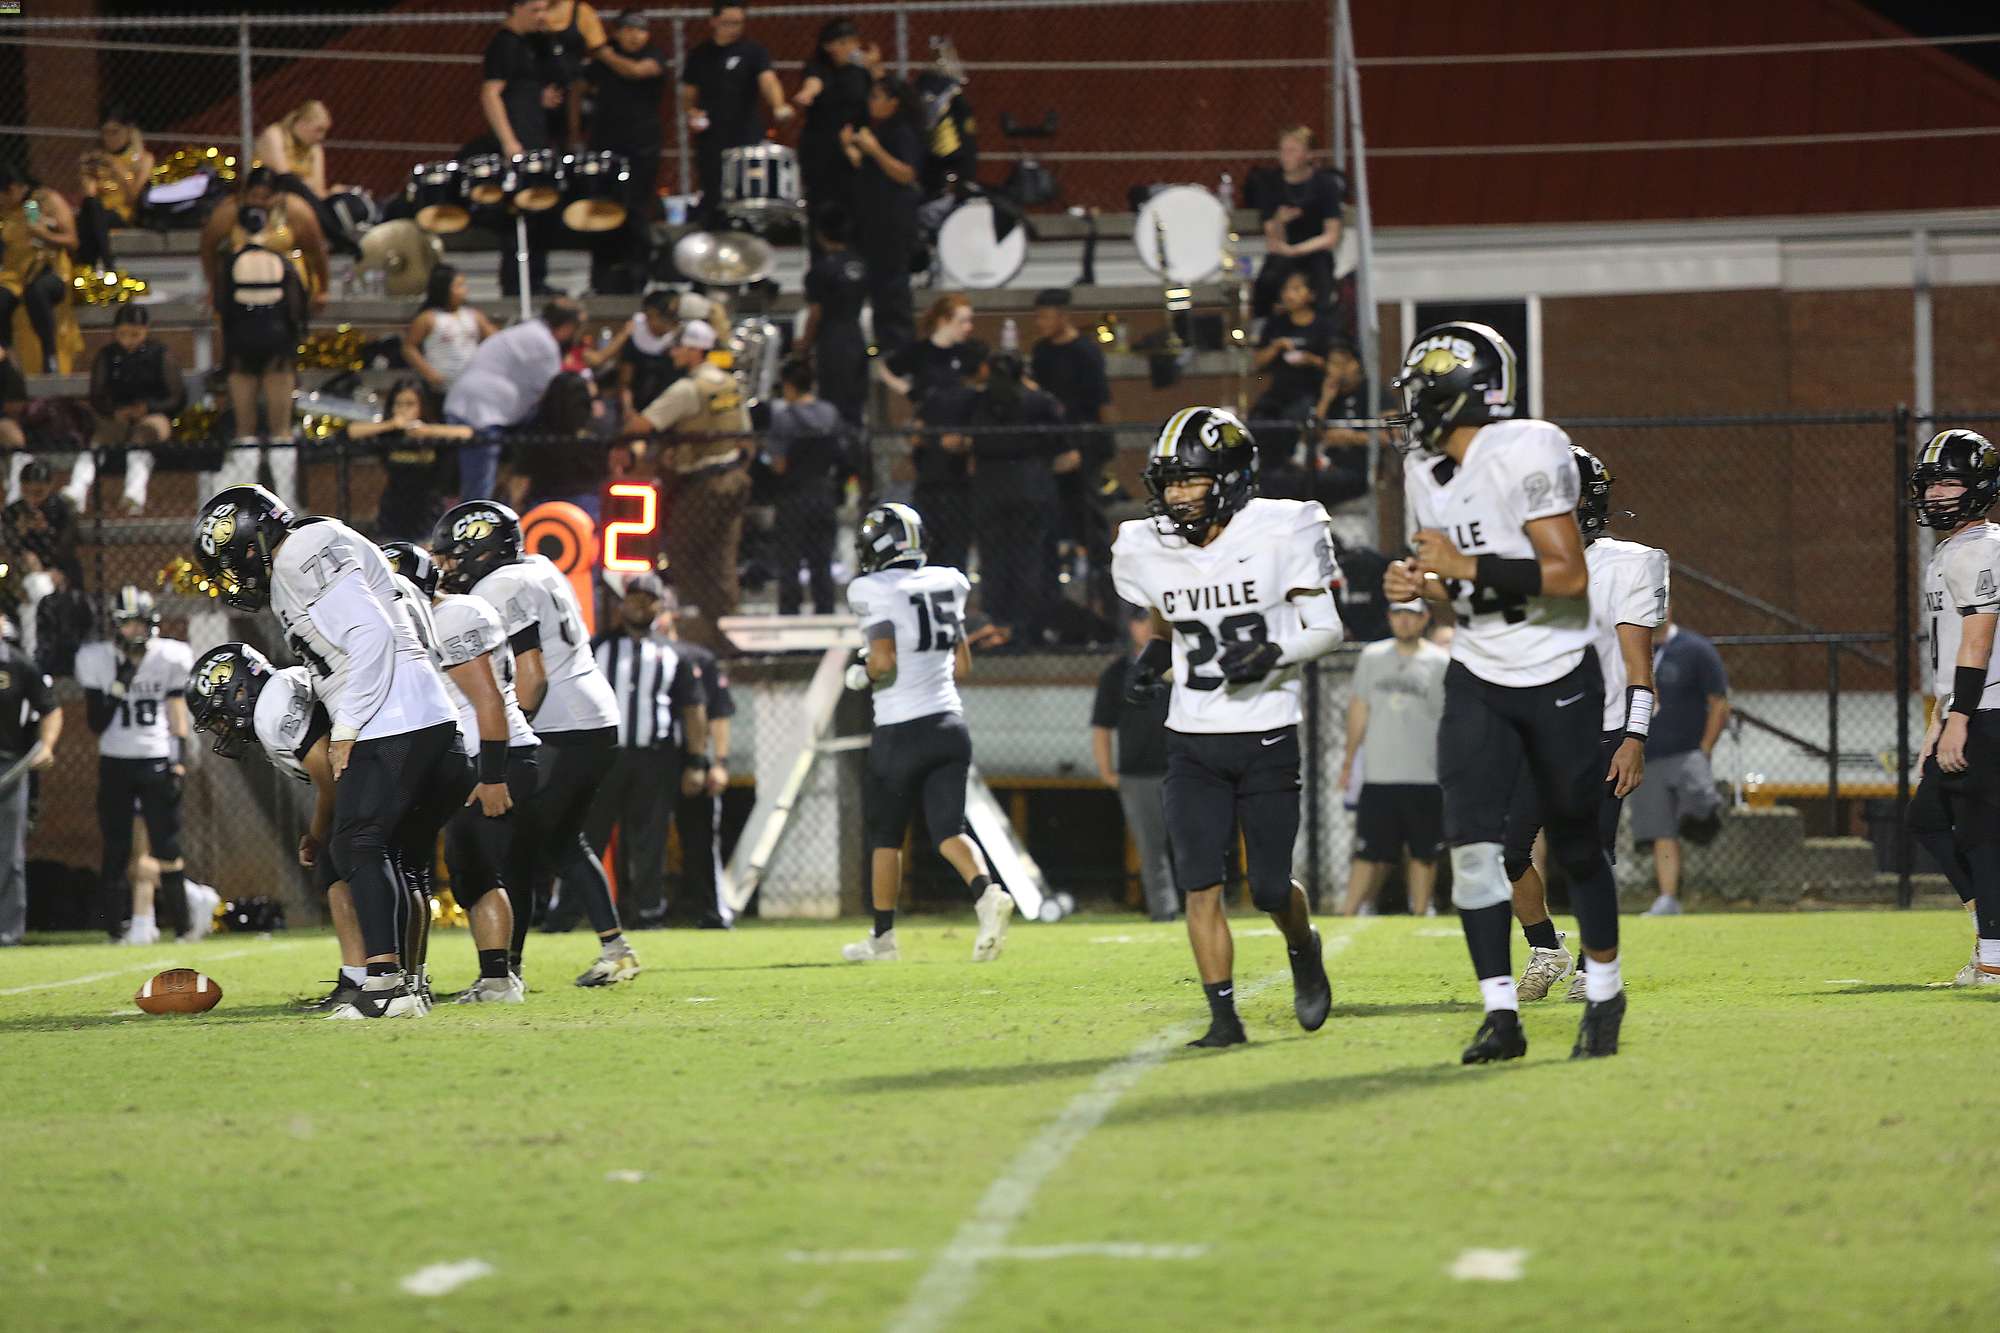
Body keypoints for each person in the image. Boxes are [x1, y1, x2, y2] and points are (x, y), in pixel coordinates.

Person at [1385, 320, 1626, 1062]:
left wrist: (1461, 563)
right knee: (1472, 844)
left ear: (1463, 393)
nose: (1413, 406)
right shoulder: (1424, 472)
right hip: (1481, 670)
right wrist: (1419, 585)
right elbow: (1460, 592)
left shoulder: (1528, 446)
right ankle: (1500, 1013)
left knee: (1580, 847)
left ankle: (1607, 993)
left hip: (1556, 669)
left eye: (1423, 390)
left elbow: (1567, 573)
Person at [1112, 407, 1343, 1047]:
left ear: (1232, 477)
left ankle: (1303, 944)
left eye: (1193, 480)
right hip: (1192, 739)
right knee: (1199, 883)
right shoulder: (1150, 546)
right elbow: (1168, 617)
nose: (1179, 496)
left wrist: (1274, 653)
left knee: (1268, 887)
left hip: (1267, 734)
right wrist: (1153, 658)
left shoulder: (1281, 530)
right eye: (1171, 482)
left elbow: (1328, 629)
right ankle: (1223, 1019)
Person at [193, 483, 467, 1019]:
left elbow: (370, 635)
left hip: (393, 716)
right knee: (389, 851)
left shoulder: (298, 552)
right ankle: (405, 983)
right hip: (423, 711)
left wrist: (346, 726)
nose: (231, 572)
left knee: (358, 842)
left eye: (230, 557)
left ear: (251, 541)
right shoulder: (318, 540)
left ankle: (384, 983)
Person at [430, 499, 640, 986]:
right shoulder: (537, 567)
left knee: (518, 847)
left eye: (458, 554)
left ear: (484, 552)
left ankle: (508, 971)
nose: (450, 566)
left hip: (562, 722)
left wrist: (508, 733)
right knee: (562, 841)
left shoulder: (499, 585)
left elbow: (533, 674)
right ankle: (614, 948)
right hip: (592, 715)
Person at [1508, 447, 1669, 1000]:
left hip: (1599, 731)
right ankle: (1545, 947)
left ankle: (1592, 965)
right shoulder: (1525, 563)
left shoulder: (1626, 563)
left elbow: (1639, 670)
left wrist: (1635, 737)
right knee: (1504, 850)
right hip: (1537, 731)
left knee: (1589, 853)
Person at [839, 501, 1013, 962]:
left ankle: (883, 939)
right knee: (948, 831)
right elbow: (962, 665)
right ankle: (986, 894)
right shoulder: (948, 582)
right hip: (950, 725)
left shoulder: (871, 588)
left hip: (900, 728)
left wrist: (863, 674)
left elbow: (882, 661)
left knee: (886, 837)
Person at [378, 541, 537, 1003]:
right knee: (469, 871)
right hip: (476, 755)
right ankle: (495, 978)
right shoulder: (432, 617)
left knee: (478, 871)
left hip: (491, 756)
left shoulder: (450, 617)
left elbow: (487, 700)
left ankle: (498, 980)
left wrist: (491, 776)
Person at [186, 642, 357, 1010]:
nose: (222, 728)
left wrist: (317, 833)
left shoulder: (272, 710)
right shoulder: (282, 687)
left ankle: (360, 980)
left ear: (238, 691)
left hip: (365, 778)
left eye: (219, 716)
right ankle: (399, 976)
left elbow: (329, 774)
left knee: (337, 868)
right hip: (379, 768)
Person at [1907, 430, 2000, 987]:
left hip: (1987, 707)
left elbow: (1978, 641)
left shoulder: (1982, 547)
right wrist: (1939, 720)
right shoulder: (1958, 547)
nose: (1938, 494)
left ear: (1979, 485)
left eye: (1949, 481)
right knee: (1928, 817)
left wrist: (1959, 717)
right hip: (1969, 706)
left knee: (1981, 831)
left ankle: (1994, 953)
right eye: (1932, 482)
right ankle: (1990, 933)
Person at [587, 572, 709, 929]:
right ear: (623, 602)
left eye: (648, 599)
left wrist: (697, 761)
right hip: (606, 755)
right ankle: (571, 911)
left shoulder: (674, 654)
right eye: (635, 598)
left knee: (650, 838)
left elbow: (693, 709)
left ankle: (647, 912)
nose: (640, 605)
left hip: (655, 757)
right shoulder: (599, 647)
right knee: (589, 835)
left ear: (660, 605)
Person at [76, 588, 196, 944]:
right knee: (116, 847)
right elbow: (96, 722)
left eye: (141, 622)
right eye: (129, 624)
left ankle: (184, 927)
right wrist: (122, 677)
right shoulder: (97, 658)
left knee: (167, 844)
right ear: (116, 626)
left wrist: (179, 761)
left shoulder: (169, 656)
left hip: (156, 759)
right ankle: (115, 929)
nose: (136, 631)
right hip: (115, 761)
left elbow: (177, 713)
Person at [199, 166, 328, 487]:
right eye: (253, 196)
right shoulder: (228, 215)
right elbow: (208, 249)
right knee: (244, 422)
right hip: (241, 325)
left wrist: (321, 287)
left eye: (265, 197)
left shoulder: (295, 212)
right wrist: (214, 287)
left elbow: (317, 250)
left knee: (279, 421)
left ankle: (286, 497)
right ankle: (244, 492)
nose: (259, 202)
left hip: (279, 323)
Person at [629, 319, 752, 654]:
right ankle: (727, 634)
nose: (673, 351)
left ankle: (700, 631)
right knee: (722, 560)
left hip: (701, 485)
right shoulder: (728, 385)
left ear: (696, 349)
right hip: (733, 478)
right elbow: (745, 434)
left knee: (684, 556)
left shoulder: (689, 389)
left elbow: (643, 423)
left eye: (679, 345)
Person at [948, 343, 1065, 642]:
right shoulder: (1038, 401)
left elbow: (958, 439)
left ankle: (995, 626)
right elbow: (1061, 443)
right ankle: (1027, 630)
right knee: (1030, 560)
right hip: (1031, 488)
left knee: (994, 560)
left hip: (990, 489)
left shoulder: (978, 402)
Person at [1340, 599, 1448, 917]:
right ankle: (1347, 913)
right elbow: (1359, 708)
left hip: (1425, 773)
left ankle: (1419, 912)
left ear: (1425, 618)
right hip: (1379, 772)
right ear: (1389, 617)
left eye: (1411, 614)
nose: (1404, 621)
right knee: (1368, 851)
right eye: (1398, 613)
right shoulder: (1372, 657)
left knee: (1424, 851)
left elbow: (1446, 717)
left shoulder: (1439, 661)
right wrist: (1348, 761)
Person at [1626, 612, 1730, 916]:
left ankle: (1701, 820)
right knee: (1661, 831)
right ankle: (1668, 898)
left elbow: (1719, 702)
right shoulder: (1631, 647)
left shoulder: (1695, 649)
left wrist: (1705, 749)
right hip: (1648, 755)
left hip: (1688, 752)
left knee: (1702, 809)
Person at [445, 298, 585, 503]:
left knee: (478, 481)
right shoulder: (544, 344)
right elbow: (555, 392)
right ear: (567, 327)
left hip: (473, 406)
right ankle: (476, 528)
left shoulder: (529, 331)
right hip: (482, 413)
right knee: (478, 488)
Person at [653, 583, 735, 928]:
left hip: (691, 757)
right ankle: (643, 909)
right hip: (651, 759)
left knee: (700, 839)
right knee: (645, 839)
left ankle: (711, 909)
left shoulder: (697, 657)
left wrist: (719, 762)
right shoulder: (627, 655)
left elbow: (717, 713)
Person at [1091, 605, 1176, 921]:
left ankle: (1201, 908)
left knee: (1191, 845)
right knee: (1151, 850)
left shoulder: (1181, 666)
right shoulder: (1116, 674)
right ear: (1130, 626)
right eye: (1140, 619)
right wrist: (1107, 771)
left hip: (1179, 770)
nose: (1146, 627)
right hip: (1136, 773)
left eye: (1151, 619)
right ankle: (1164, 913)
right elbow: (1101, 726)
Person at [481, 0, 563, 298]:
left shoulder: (531, 45)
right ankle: (517, 284)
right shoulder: (504, 45)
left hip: (536, 138)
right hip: (518, 142)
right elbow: (491, 94)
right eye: (534, 10)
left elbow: (520, 89)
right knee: (519, 214)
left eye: (544, 10)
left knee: (541, 210)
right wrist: (508, 141)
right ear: (516, 9)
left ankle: (537, 279)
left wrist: (539, 100)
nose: (541, 17)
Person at [680, 2, 792, 221]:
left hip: (745, 135)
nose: (734, 28)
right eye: (727, 23)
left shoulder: (753, 51)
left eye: (739, 23)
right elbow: (688, 92)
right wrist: (691, 112)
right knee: (714, 193)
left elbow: (768, 81)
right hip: (711, 138)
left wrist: (779, 104)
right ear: (713, 22)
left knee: (746, 192)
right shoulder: (700, 54)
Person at [585, 10, 667, 293]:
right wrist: (574, 132)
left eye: (641, 30)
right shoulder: (599, 64)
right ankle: (601, 277)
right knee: (604, 208)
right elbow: (578, 88)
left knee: (636, 209)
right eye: (629, 29)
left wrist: (601, 51)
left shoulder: (654, 56)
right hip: (605, 145)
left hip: (641, 146)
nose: (635, 36)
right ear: (617, 32)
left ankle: (638, 276)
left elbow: (634, 71)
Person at [845, 75, 923, 357]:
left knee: (892, 287)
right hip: (874, 221)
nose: (871, 103)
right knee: (878, 287)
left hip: (892, 222)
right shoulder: (881, 130)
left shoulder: (901, 131)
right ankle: (885, 343)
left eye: (877, 97)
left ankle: (900, 348)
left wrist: (873, 150)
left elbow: (905, 173)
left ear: (894, 102)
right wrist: (852, 149)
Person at [766, 358, 846, 616]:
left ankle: (790, 610)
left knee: (789, 558)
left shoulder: (784, 418)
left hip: (793, 494)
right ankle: (825, 608)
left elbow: (779, 464)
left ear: (789, 385)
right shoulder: (830, 413)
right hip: (823, 490)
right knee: (821, 558)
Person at [345, 379, 471, 542]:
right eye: (399, 404)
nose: (403, 410)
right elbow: (351, 432)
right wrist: (390, 424)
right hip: (393, 514)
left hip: (428, 514)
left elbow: (467, 433)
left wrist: (427, 431)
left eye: (410, 404)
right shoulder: (390, 435)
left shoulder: (432, 435)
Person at [0, 613, 61, 946]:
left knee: (8, 854)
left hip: (9, 768)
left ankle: (7, 933)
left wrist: (47, 745)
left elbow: (50, 707)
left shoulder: (18, 665)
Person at [86, 306, 181, 516]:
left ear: (146, 331)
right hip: (117, 416)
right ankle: (77, 489)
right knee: (99, 439)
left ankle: (134, 494)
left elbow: (176, 396)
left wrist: (148, 408)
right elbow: (96, 395)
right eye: (123, 334)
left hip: (155, 415)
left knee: (143, 437)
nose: (129, 340)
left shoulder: (160, 354)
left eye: (135, 334)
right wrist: (114, 412)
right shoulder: (107, 355)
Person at [1251, 269, 1337, 498]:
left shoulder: (1324, 326)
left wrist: (1312, 360)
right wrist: (1276, 347)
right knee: (1258, 421)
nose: (1290, 295)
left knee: (1296, 417)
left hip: (1311, 392)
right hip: (1279, 393)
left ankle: (1296, 462)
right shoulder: (1276, 325)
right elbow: (1258, 362)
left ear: (1311, 294)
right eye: (1287, 289)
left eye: (1297, 289)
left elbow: (1337, 365)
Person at [1248, 125, 1344, 322]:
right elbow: (1272, 237)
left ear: (1308, 155)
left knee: (1322, 281)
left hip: (1314, 250)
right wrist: (1279, 221)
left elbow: (1331, 236)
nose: (1285, 156)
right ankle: (1263, 328)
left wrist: (1297, 250)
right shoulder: (1269, 183)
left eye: (1292, 151)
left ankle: (1323, 332)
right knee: (1267, 281)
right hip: (1283, 250)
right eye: (1283, 150)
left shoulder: (1325, 184)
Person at [795, 18, 877, 246]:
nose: (850, 48)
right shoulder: (818, 67)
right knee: (822, 204)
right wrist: (807, 94)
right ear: (828, 46)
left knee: (856, 203)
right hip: (822, 147)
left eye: (853, 42)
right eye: (843, 43)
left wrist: (872, 67)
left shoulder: (860, 72)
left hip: (855, 146)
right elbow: (814, 83)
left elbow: (879, 95)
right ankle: (823, 259)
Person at [0, 163, 78, 374]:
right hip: (14, 275)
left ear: (15, 188)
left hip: (47, 269)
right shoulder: (5, 211)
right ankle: (4, 357)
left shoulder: (41, 201)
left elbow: (72, 240)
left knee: (36, 291)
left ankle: (49, 356)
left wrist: (44, 234)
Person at [798, 207, 869, 426]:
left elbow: (816, 313)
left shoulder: (820, 271)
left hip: (832, 340)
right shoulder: (860, 265)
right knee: (855, 400)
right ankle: (858, 451)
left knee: (833, 402)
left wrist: (804, 344)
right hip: (856, 336)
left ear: (820, 235)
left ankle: (838, 452)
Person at [512, 370, 612, 517]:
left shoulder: (534, 433)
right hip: (588, 510)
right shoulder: (599, 431)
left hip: (544, 510)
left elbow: (520, 484)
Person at [403, 265, 497, 413]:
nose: (464, 290)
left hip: (470, 381)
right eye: (458, 286)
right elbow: (409, 347)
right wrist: (428, 372)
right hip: (442, 384)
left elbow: (495, 339)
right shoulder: (428, 318)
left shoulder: (473, 315)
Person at [75, 107, 154, 274]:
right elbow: (89, 197)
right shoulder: (98, 158)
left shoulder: (142, 159)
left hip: (122, 213)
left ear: (129, 132)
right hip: (97, 213)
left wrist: (117, 169)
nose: (110, 138)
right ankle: (106, 262)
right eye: (105, 133)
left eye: (115, 132)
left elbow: (134, 197)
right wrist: (85, 175)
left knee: (92, 214)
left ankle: (95, 265)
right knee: (92, 207)